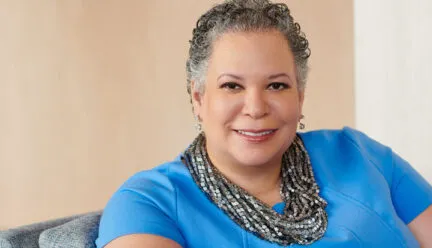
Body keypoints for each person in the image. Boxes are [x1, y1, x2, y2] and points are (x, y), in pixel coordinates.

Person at [96, 0, 432, 247]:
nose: (255, 108)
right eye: (232, 86)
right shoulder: (147, 203)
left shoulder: (359, 154)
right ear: (198, 98)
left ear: (299, 96)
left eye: (277, 85)